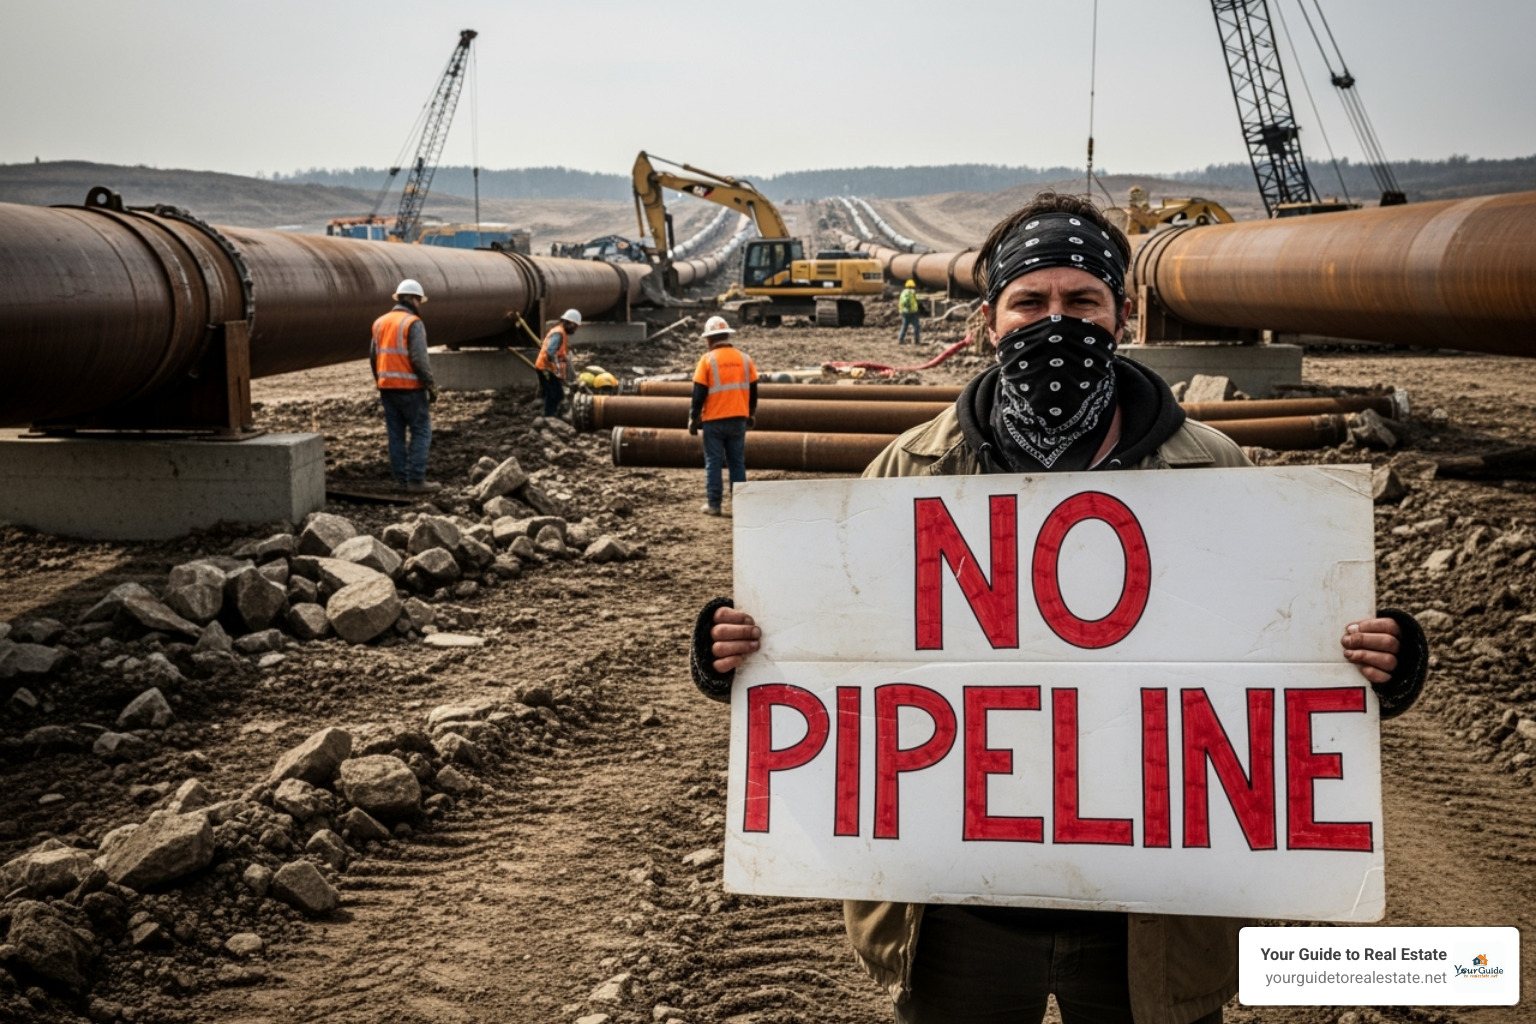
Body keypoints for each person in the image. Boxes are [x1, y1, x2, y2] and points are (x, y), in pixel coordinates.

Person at [690, 192, 1428, 1024]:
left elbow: (1290, 654)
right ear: (991, 320)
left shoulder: (1217, 472)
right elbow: (835, 652)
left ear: (1121, 316)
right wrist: (744, 652)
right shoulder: (909, 473)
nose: (1056, 321)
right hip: (961, 915)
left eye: (1082, 301)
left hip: (1149, 916)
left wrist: (1384, 662)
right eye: (1030, 301)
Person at [369, 278, 440, 493]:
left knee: (396, 434)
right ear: (411, 298)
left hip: (387, 388)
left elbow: (374, 356)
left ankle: (401, 481)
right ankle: (416, 480)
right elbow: (419, 359)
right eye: (418, 300)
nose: (419, 305)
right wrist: (430, 386)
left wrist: (380, 381)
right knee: (421, 431)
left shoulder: (380, 322)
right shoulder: (412, 323)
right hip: (410, 389)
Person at [688, 315, 759, 516]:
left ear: (709, 340)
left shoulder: (707, 360)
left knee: (714, 462)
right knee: (737, 462)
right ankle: (741, 506)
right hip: (738, 419)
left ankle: (714, 505)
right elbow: (754, 390)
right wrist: (751, 413)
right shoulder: (745, 359)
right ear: (727, 335)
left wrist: (693, 418)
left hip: (714, 420)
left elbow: (698, 393)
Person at [537, 308, 581, 418]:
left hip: (549, 369)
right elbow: (551, 352)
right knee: (553, 394)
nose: (575, 330)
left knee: (557, 394)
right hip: (546, 369)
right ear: (569, 323)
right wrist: (557, 370)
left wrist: (568, 374)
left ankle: (551, 415)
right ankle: (549, 418)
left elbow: (563, 356)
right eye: (575, 326)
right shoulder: (558, 333)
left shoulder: (562, 333)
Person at [898, 278, 922, 345]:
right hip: (912, 312)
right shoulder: (912, 292)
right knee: (916, 326)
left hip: (904, 312)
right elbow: (916, 300)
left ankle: (900, 339)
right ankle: (916, 340)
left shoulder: (903, 292)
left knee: (904, 326)